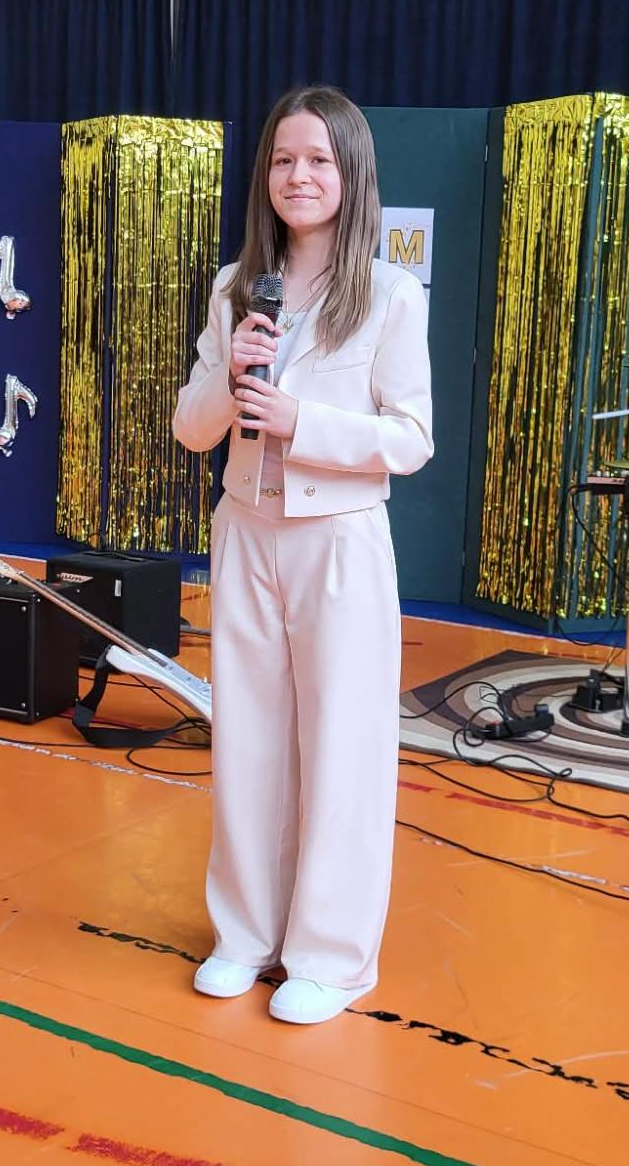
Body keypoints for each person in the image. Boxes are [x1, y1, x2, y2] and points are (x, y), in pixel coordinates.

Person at [172, 86, 433, 1024]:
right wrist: (234, 371)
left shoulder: (390, 293)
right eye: (284, 159)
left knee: (342, 749)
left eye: (319, 159)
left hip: (339, 542)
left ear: (350, 171)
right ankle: (245, 935)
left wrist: (301, 420)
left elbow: (411, 438)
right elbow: (192, 426)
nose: (299, 176)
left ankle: (330, 957)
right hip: (245, 530)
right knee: (245, 739)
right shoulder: (235, 288)